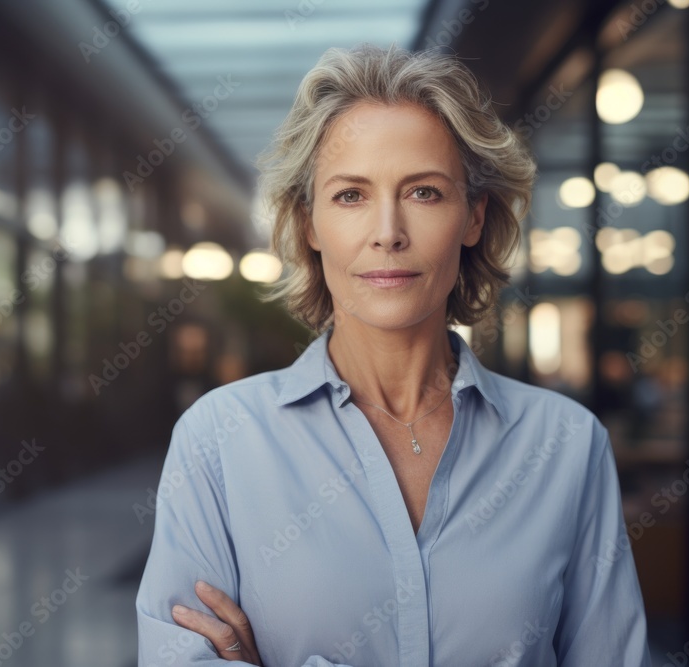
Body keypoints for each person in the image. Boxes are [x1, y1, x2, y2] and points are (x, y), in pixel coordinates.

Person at [135, 44, 651, 666]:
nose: (388, 231)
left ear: (473, 217)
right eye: (350, 195)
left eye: (425, 192)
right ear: (310, 225)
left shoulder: (566, 445)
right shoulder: (218, 440)